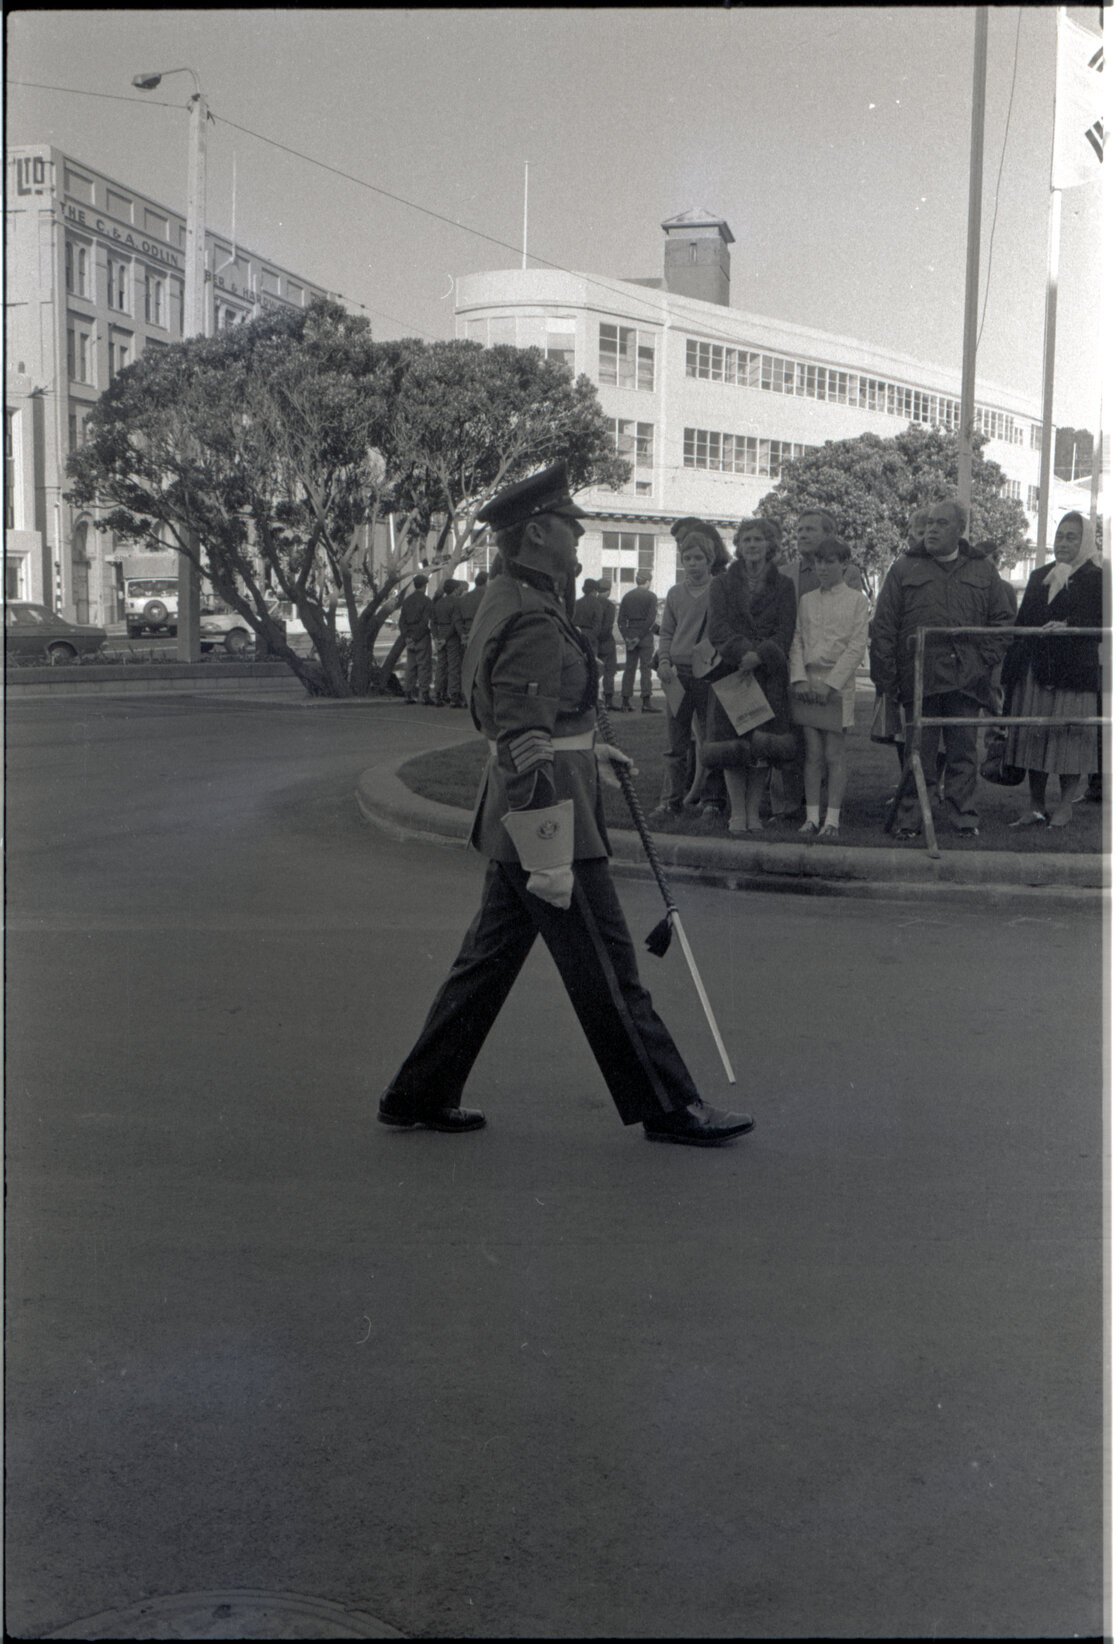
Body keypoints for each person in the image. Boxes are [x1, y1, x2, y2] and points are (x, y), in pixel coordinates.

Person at [378, 463, 754, 1148]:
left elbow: (541, 723)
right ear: (537, 534)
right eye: (569, 525)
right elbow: (521, 739)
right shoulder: (528, 614)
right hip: (548, 823)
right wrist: (550, 856)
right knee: (609, 972)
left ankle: (419, 1091)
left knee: (486, 965)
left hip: (529, 810)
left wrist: (588, 752)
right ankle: (670, 1105)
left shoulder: (516, 597)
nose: (580, 533)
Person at [869, 497, 1016, 839]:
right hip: (919, 680)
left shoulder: (982, 570)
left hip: (967, 680)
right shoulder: (904, 568)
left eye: (941, 524)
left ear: (960, 531)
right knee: (917, 753)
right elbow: (884, 626)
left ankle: (964, 819)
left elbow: (1003, 621)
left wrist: (982, 661)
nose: (932, 529)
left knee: (964, 753)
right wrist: (888, 679)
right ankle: (909, 820)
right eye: (930, 523)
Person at [1000, 510, 1103, 830]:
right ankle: (1035, 804)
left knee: (1069, 739)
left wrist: (1070, 626)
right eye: (1060, 535)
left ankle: (1065, 806)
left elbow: (1102, 623)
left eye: (1072, 536)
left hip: (1073, 674)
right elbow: (1024, 623)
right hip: (1035, 671)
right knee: (1035, 736)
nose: (1063, 542)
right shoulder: (1039, 575)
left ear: (1085, 540)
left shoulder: (1098, 578)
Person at [703, 516, 798, 835]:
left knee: (761, 747)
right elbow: (716, 627)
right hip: (733, 672)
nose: (753, 545)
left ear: (771, 545)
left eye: (759, 539)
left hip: (768, 674)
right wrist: (741, 652)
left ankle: (753, 812)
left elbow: (786, 629)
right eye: (747, 540)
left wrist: (761, 655)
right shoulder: (721, 584)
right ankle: (737, 814)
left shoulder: (785, 585)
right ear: (739, 546)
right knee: (732, 746)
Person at [788, 535, 871, 839]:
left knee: (834, 753)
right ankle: (811, 817)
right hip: (808, 681)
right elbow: (797, 640)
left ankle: (832, 819)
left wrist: (832, 684)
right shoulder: (807, 600)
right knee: (812, 754)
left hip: (838, 685)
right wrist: (798, 678)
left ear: (844, 564)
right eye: (818, 562)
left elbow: (856, 646)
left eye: (829, 562)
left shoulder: (857, 600)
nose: (822, 568)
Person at [650, 520, 729, 828]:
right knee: (676, 742)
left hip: (709, 671)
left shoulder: (719, 589)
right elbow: (667, 632)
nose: (693, 564)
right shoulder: (674, 594)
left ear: (710, 560)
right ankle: (670, 801)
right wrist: (665, 661)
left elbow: (725, 630)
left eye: (699, 558)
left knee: (710, 738)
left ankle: (711, 800)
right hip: (677, 673)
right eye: (687, 558)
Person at [617, 569, 661, 713]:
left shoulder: (627, 596)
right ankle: (646, 703)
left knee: (629, 669)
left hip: (630, 634)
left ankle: (625, 702)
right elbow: (650, 620)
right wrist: (639, 637)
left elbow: (620, 620)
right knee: (646, 669)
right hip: (645, 636)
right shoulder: (651, 597)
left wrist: (627, 637)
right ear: (648, 581)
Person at [398, 573, 434, 705]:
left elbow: (401, 622)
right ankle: (424, 694)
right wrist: (415, 637)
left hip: (409, 636)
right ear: (424, 586)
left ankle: (408, 693)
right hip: (421, 637)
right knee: (424, 666)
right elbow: (425, 622)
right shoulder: (426, 601)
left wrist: (407, 637)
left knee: (410, 666)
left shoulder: (407, 601)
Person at [430, 578, 465, 707]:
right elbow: (455, 622)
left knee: (441, 665)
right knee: (453, 666)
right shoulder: (457, 602)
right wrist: (446, 637)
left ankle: (438, 693)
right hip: (451, 636)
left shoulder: (438, 603)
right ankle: (454, 695)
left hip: (439, 632)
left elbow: (432, 622)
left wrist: (436, 637)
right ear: (455, 589)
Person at [595, 577, 619, 710]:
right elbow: (608, 626)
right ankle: (608, 700)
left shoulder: (592, 602)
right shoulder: (610, 605)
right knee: (609, 672)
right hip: (606, 642)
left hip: (593, 642)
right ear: (609, 591)